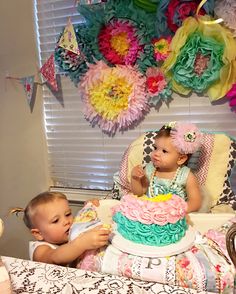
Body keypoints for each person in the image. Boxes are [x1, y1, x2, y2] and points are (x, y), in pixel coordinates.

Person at [11, 192, 110, 266]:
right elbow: (55, 257)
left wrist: (88, 208)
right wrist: (81, 243)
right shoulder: (40, 250)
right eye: (55, 221)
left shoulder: (67, 233)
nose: (67, 221)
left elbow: (80, 223)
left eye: (67, 214)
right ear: (38, 234)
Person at [130, 121, 202, 213]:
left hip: (174, 218)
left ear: (181, 159)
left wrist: (178, 211)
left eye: (164, 151)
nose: (156, 154)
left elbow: (195, 202)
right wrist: (135, 178)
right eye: (155, 148)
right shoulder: (150, 169)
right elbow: (139, 193)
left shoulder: (186, 176)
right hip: (151, 215)